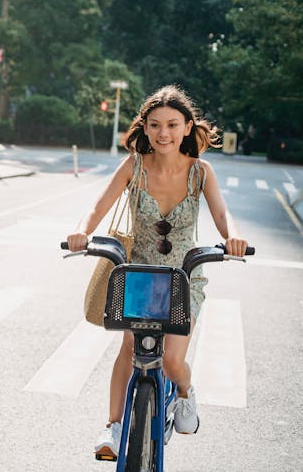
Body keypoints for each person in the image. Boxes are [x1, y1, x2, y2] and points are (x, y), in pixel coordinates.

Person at [66, 85, 247, 460]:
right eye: (155, 125)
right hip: (140, 275)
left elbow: (220, 213)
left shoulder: (201, 172)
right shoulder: (133, 164)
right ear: (144, 129)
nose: (163, 132)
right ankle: (113, 428)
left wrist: (234, 236)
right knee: (129, 348)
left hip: (184, 278)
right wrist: (83, 231)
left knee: (171, 361)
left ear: (186, 128)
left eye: (171, 124)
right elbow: (99, 206)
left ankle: (184, 393)